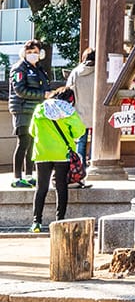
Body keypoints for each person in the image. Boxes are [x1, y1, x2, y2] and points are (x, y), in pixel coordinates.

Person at [28, 85, 84, 232]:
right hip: (62, 154)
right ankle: (60, 221)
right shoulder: (69, 111)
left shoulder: (40, 109)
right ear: (70, 99)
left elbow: (32, 131)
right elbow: (80, 131)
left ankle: (36, 222)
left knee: (41, 187)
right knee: (61, 186)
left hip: (42, 153)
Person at [9, 40, 51, 188]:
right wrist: (43, 95)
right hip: (23, 110)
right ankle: (16, 178)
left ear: (41, 54)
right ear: (24, 53)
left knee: (32, 144)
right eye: (29, 52)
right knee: (23, 143)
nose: (32, 55)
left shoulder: (40, 69)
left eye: (35, 52)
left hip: (36, 111)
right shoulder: (19, 69)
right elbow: (20, 91)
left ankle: (28, 175)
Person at [66, 49, 97, 186]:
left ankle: (80, 170)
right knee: (97, 142)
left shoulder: (76, 72)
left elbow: (68, 91)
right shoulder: (100, 72)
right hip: (97, 114)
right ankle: (94, 164)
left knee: (81, 143)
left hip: (80, 113)